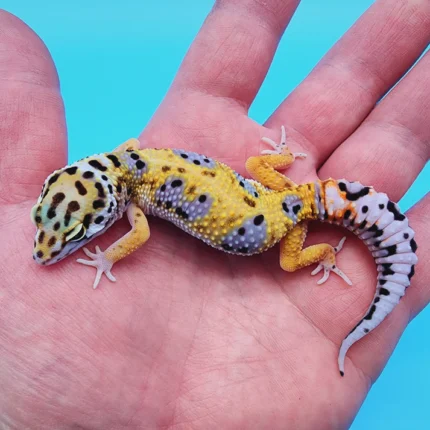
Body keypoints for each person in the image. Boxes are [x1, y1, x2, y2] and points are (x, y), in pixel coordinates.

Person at [0, 1, 429, 428]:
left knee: (287, 260)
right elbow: (129, 144)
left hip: (284, 222)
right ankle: (316, 212)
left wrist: (106, 256)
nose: (55, 248)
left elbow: (138, 237)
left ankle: (327, 254)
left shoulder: (133, 206)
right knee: (257, 166)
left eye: (77, 232)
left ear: (109, 201)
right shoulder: (129, 160)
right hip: (277, 193)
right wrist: (278, 158)